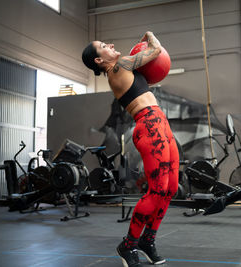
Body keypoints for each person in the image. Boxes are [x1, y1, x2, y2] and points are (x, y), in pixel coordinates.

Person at [82, 32, 179, 267]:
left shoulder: (124, 68)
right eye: (104, 45)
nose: (111, 44)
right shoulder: (119, 66)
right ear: (99, 60)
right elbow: (155, 50)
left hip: (160, 123)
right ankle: (128, 244)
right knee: (157, 190)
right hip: (149, 126)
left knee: (171, 188)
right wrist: (150, 35)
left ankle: (148, 239)